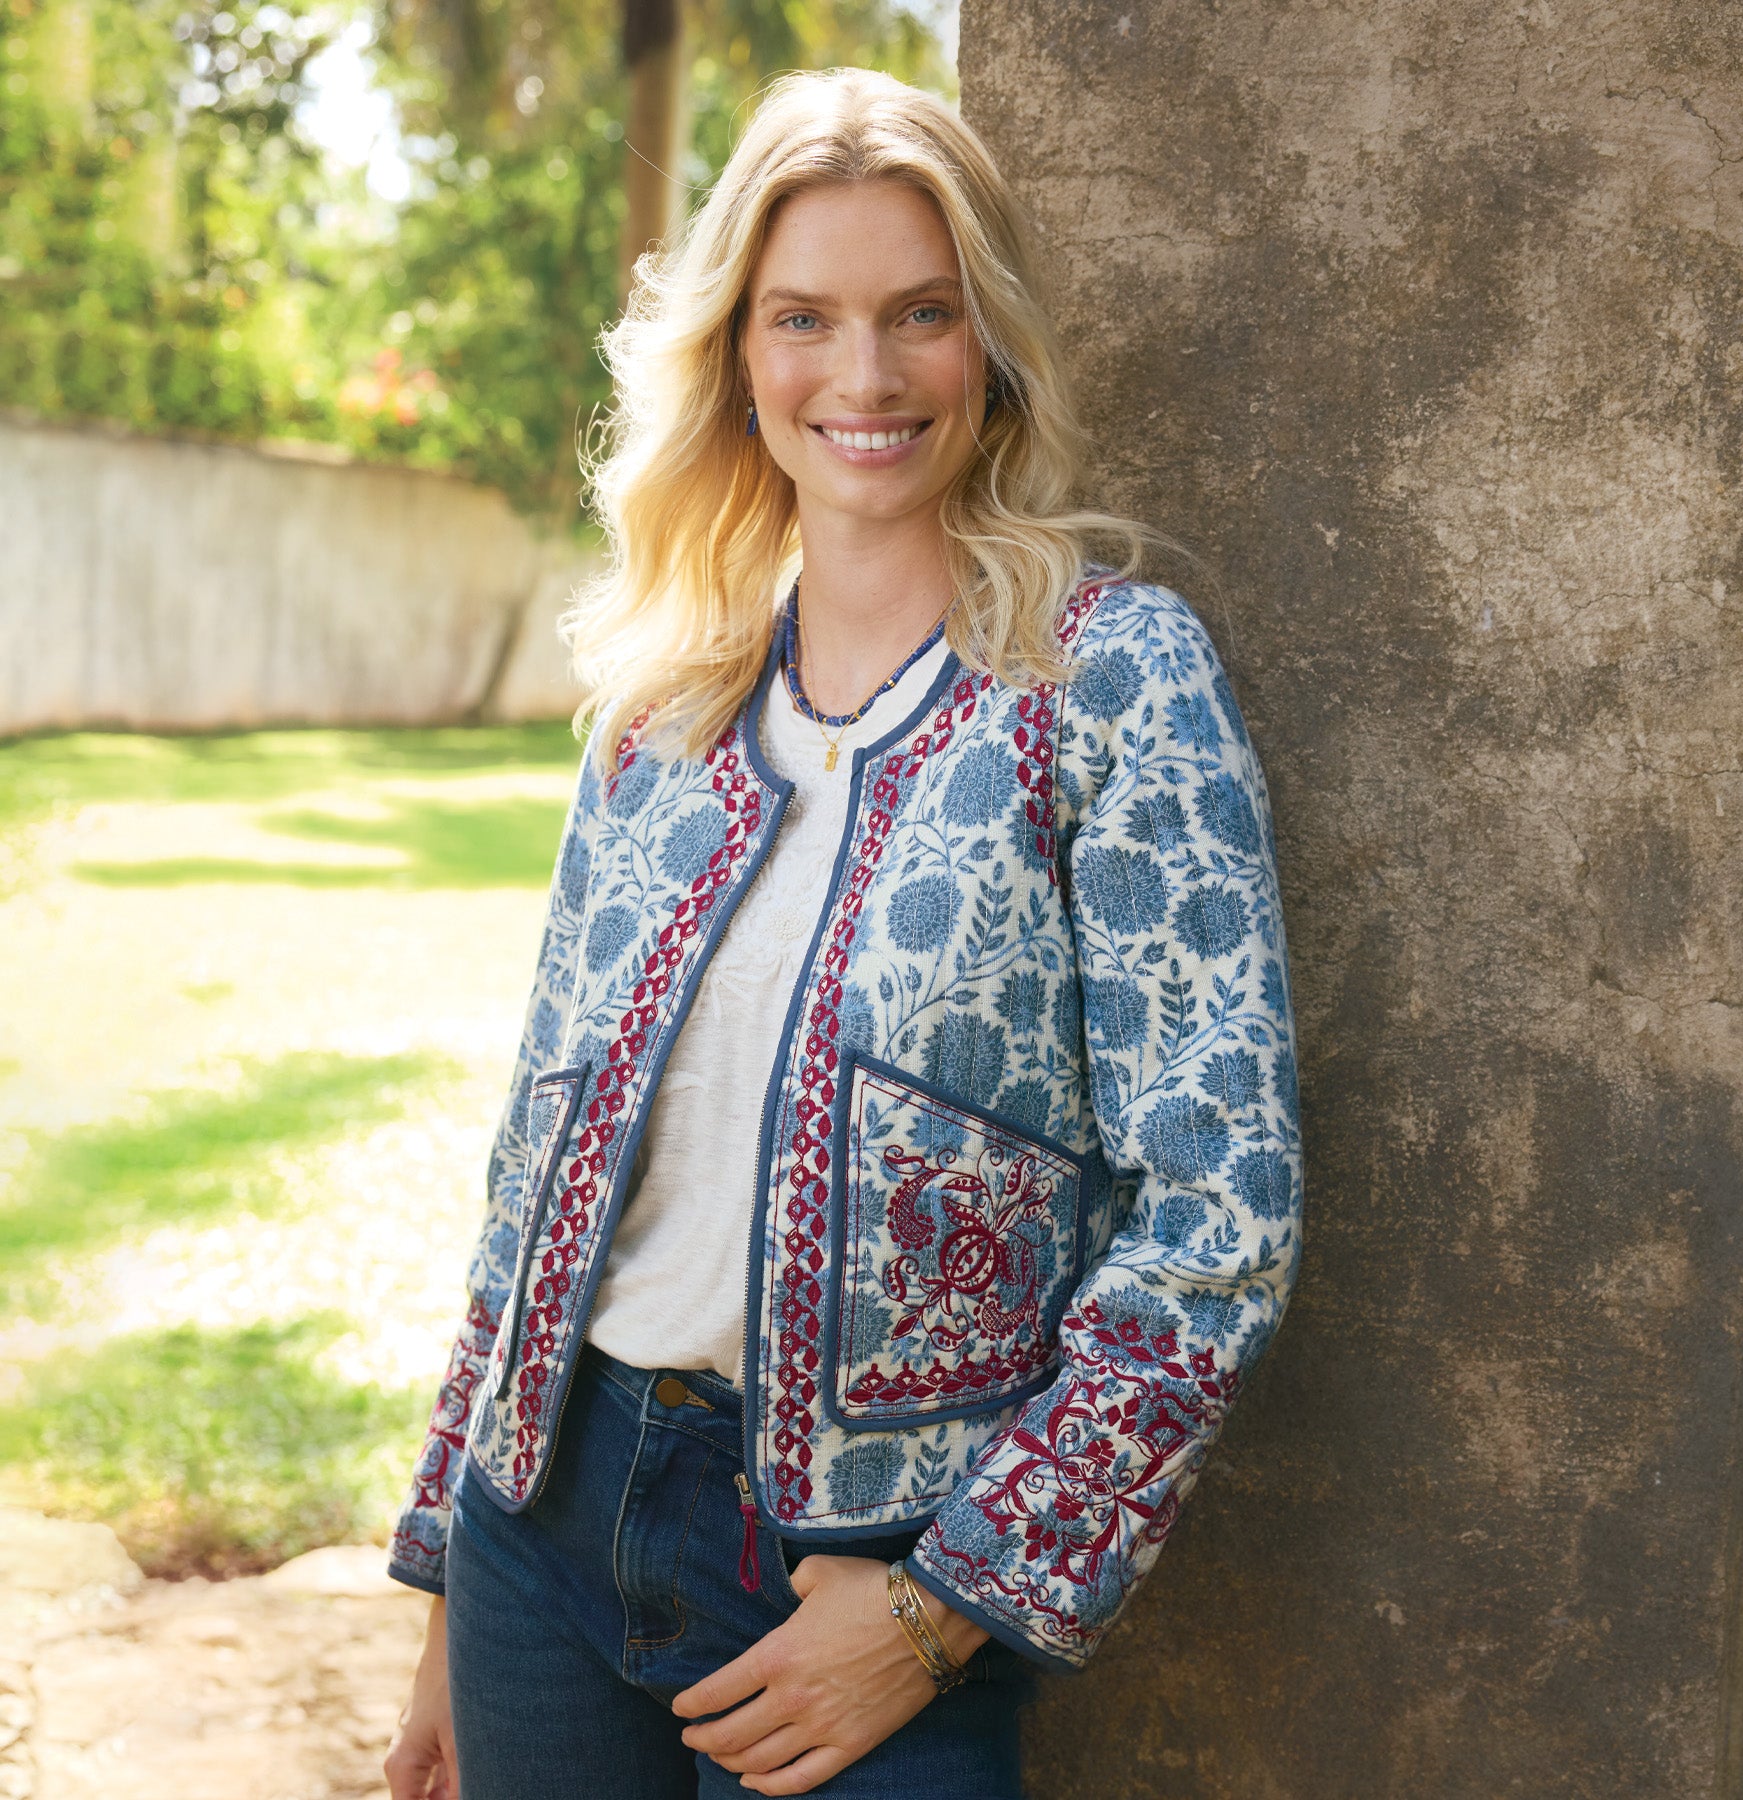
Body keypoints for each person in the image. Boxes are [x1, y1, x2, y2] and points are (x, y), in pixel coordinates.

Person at [383, 66, 1301, 1800]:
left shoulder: (1110, 680)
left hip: (864, 1568)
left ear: (990, 348)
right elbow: (534, 1166)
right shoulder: (662, 705)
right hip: (545, 1529)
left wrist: (948, 1608)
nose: (863, 377)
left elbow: (1219, 1215)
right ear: (738, 353)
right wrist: (446, 1577)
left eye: (920, 315)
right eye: (802, 317)